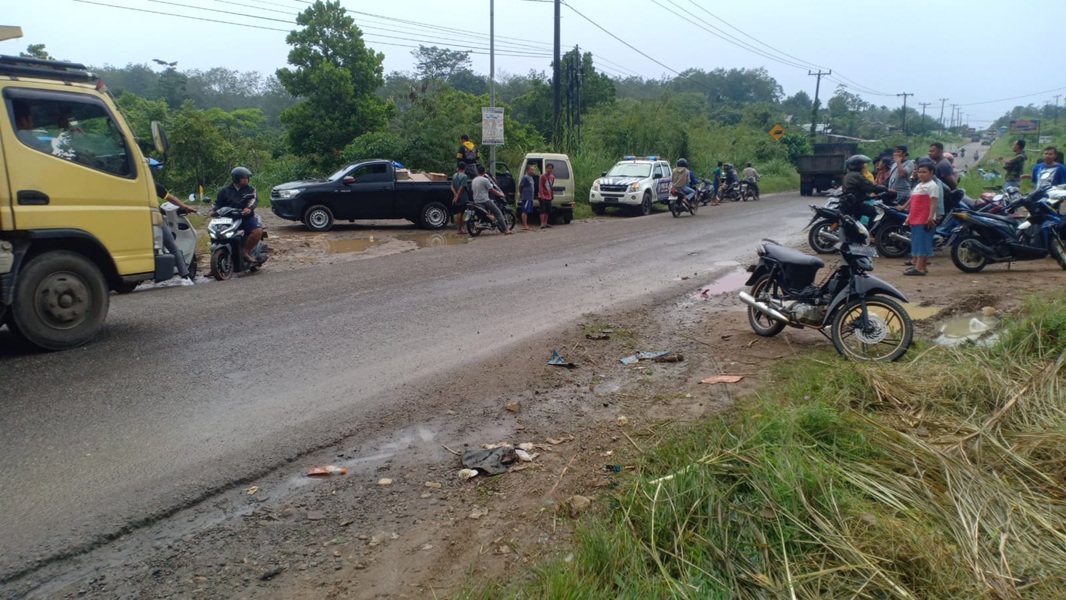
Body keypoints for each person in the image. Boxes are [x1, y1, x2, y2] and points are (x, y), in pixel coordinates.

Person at [149, 159, 198, 285]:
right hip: (153, 219)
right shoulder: (152, 185)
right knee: (171, 245)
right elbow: (171, 198)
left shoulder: (132, 184)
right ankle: (185, 276)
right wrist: (185, 207)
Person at [212, 166, 263, 264]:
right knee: (215, 234)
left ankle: (246, 252)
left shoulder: (250, 189)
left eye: (247, 178)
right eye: (243, 178)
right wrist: (212, 211)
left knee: (257, 230)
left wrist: (249, 208)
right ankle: (216, 259)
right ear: (236, 178)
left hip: (244, 217)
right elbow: (218, 203)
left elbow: (254, 200)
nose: (245, 180)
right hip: (227, 219)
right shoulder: (225, 190)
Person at [898, 162, 939, 276]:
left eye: (924, 172)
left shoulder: (932, 186)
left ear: (931, 173)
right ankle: (922, 266)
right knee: (917, 241)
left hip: (925, 219)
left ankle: (919, 268)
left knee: (922, 242)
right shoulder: (918, 185)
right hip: (916, 218)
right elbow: (913, 200)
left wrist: (930, 217)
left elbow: (933, 203)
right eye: (919, 172)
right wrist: (906, 211)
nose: (921, 174)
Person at [841, 154, 886, 225]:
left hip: (849, 202)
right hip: (855, 204)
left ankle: (857, 234)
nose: (863, 166)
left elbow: (857, 191)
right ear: (857, 165)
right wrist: (886, 189)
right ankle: (871, 233)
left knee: (857, 220)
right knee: (877, 213)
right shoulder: (857, 176)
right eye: (862, 164)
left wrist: (869, 197)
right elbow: (870, 186)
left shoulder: (849, 175)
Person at [471, 164, 511, 234]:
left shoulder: (474, 180)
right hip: (485, 200)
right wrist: (501, 194)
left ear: (477, 171)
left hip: (476, 200)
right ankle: (506, 230)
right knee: (498, 213)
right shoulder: (485, 180)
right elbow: (492, 190)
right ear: (484, 171)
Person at [929, 142, 959, 213]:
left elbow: (953, 184)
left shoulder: (943, 164)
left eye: (932, 151)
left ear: (940, 151)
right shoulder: (938, 163)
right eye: (929, 151)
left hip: (944, 199)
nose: (930, 153)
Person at [451, 162, 471, 234]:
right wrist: (458, 196)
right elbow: (462, 187)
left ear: (458, 168)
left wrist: (455, 195)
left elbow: (452, 186)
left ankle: (460, 228)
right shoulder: (464, 176)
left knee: (459, 212)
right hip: (462, 197)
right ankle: (460, 229)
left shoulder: (454, 175)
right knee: (461, 212)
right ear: (465, 168)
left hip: (456, 196)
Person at [518, 163, 537, 230]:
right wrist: (521, 193)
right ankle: (525, 226)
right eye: (531, 169)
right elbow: (520, 186)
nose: (533, 171)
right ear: (528, 170)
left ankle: (526, 225)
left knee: (527, 211)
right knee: (524, 211)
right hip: (526, 197)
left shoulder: (531, 178)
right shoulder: (525, 177)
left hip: (530, 197)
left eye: (533, 169)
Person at [537, 162, 555, 229]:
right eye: (548, 168)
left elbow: (551, 186)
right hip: (543, 196)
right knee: (542, 210)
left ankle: (545, 222)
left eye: (551, 168)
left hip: (549, 196)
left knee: (547, 210)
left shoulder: (552, 177)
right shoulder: (542, 176)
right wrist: (542, 195)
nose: (549, 170)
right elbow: (540, 186)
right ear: (546, 168)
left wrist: (551, 194)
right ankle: (542, 223)